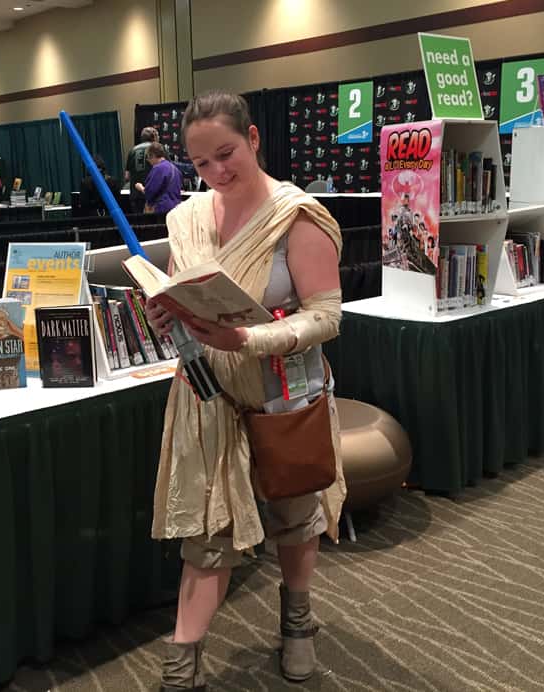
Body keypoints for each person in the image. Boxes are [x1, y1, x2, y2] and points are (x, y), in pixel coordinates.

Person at [143, 91, 345, 690]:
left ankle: (298, 622)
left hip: (284, 392)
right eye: (201, 164)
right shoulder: (187, 219)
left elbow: (327, 316)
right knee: (206, 535)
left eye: (226, 154)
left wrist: (249, 339)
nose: (216, 173)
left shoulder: (296, 216)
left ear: (254, 139)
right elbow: (190, 301)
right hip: (206, 395)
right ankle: (182, 664)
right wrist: (169, 318)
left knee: (295, 513)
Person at [139, 142, 183, 214]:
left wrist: (140, 187)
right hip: (176, 209)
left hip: (161, 209)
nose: (148, 161)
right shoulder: (175, 169)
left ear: (152, 155)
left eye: (148, 157)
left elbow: (149, 192)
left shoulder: (157, 169)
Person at [124, 126, 158, 213]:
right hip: (154, 195)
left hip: (136, 196)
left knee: (139, 223)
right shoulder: (157, 148)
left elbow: (127, 176)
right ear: (154, 137)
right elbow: (169, 170)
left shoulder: (132, 150)